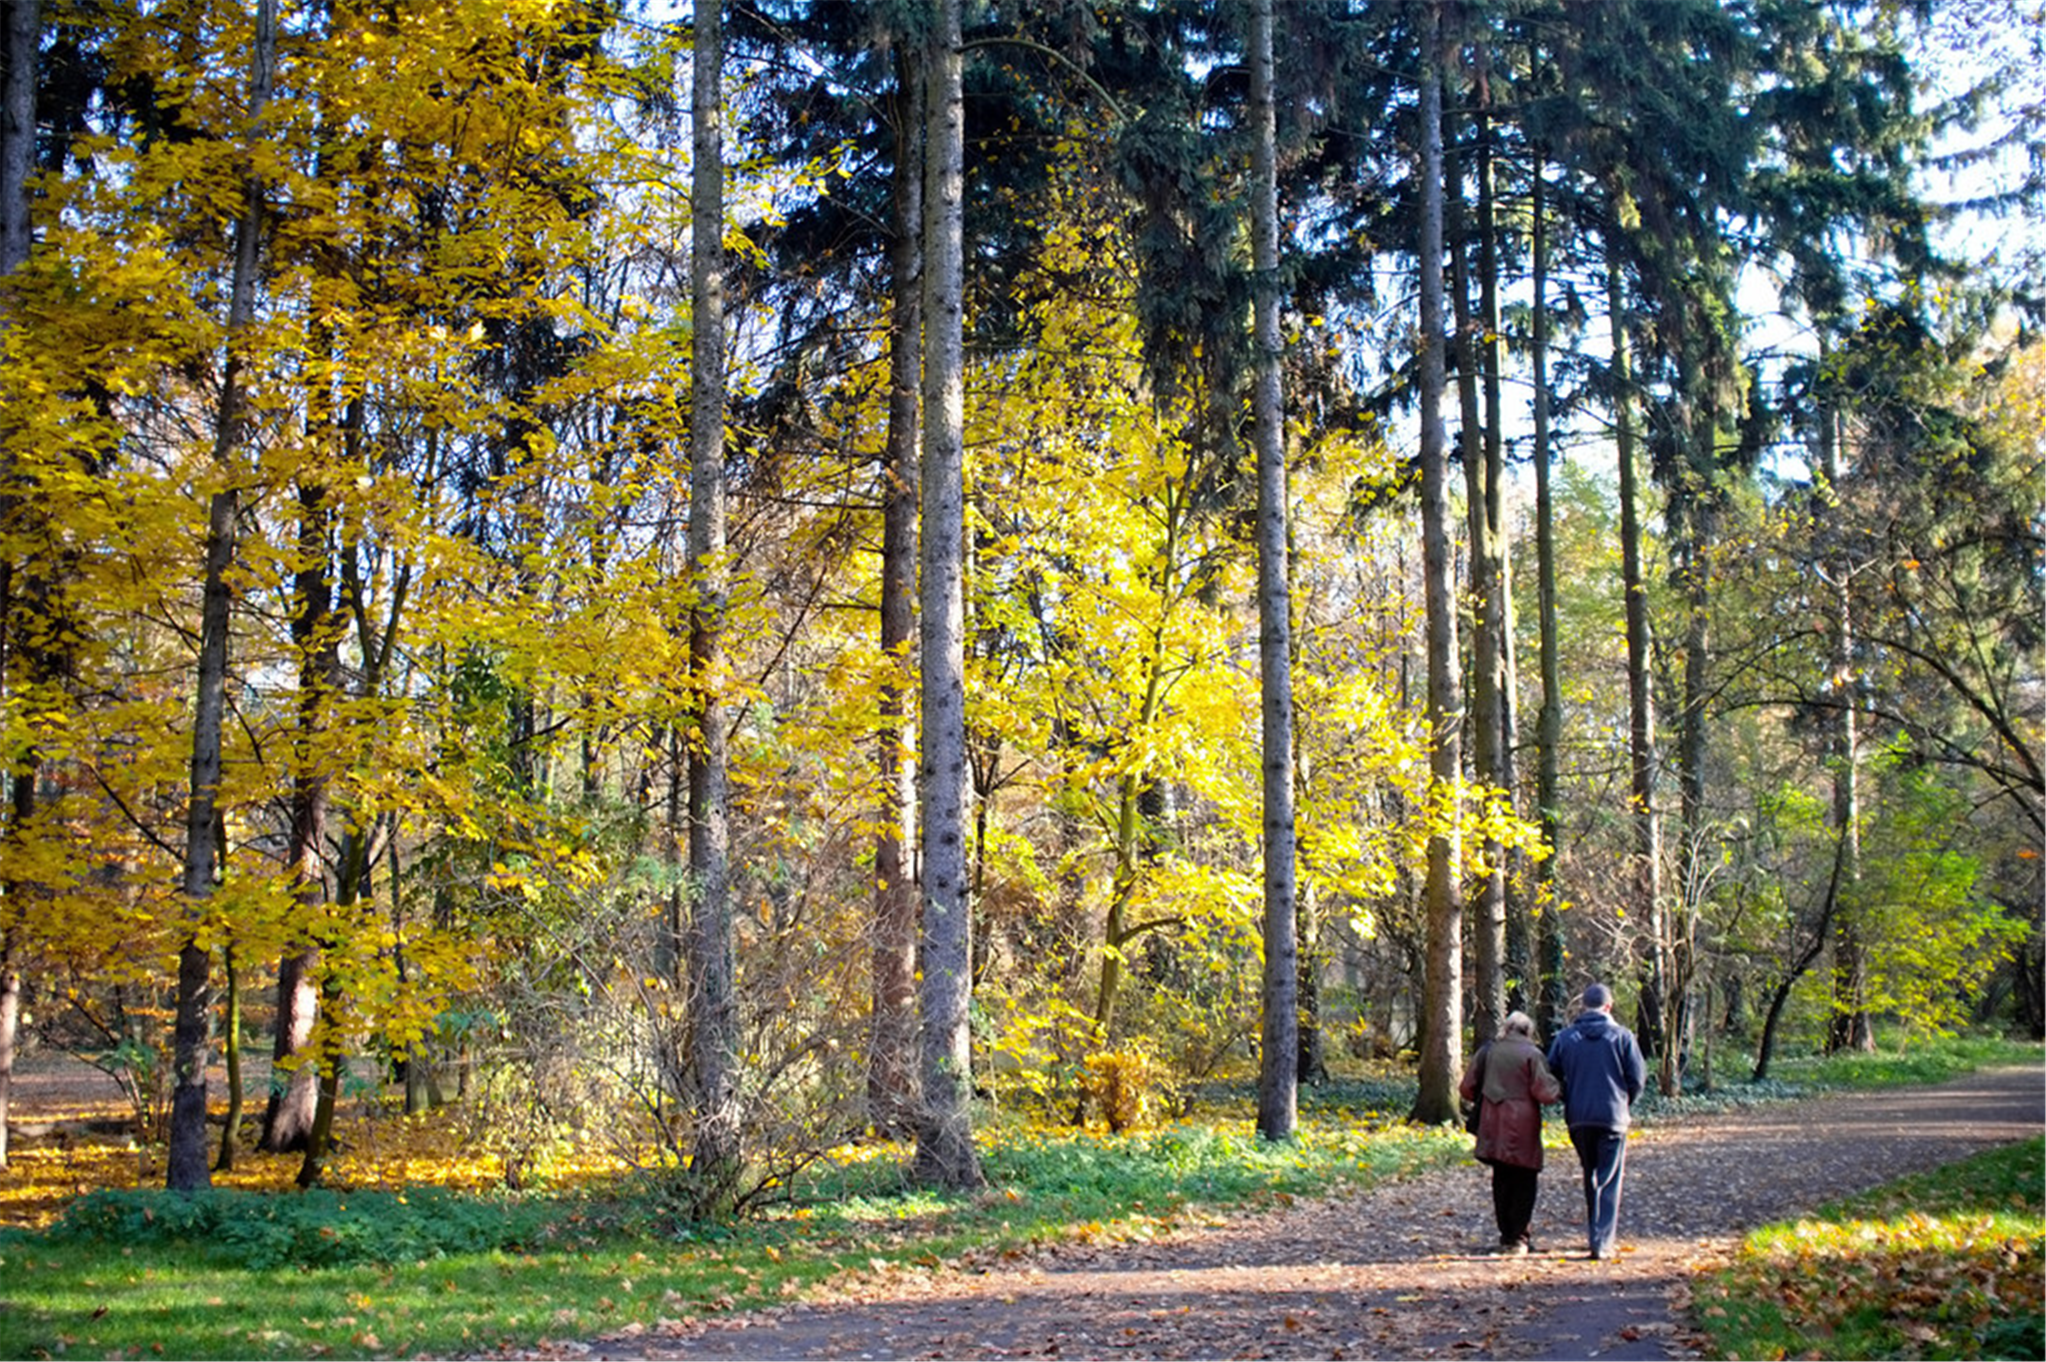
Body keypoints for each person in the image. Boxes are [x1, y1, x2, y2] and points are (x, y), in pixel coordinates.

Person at [1545, 983, 1648, 1261]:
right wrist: (1625, 1101)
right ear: (1609, 1006)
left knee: (1590, 1174)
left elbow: (1550, 1072)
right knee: (1608, 1178)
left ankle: (1596, 1233)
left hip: (1578, 1117)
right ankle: (1601, 1241)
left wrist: (1569, 1095)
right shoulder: (1623, 1037)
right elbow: (1637, 1078)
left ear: (1583, 1006)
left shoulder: (1566, 1038)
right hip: (1612, 1116)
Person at [1459, 1010, 1561, 1255]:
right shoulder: (1532, 1054)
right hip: (1523, 1125)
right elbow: (1545, 1093)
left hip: (1492, 1123)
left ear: (1506, 1028)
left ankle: (1506, 1235)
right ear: (1528, 1031)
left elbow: (1466, 1088)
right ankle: (1519, 1238)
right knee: (1524, 1181)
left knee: (1501, 1180)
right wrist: (1561, 1086)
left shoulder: (1488, 1051)